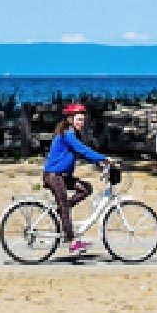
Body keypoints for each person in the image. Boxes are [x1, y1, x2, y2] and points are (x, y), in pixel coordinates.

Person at [42, 102, 108, 257]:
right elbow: (82, 150)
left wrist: (98, 162)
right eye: (78, 119)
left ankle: (61, 211)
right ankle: (72, 242)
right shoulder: (67, 133)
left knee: (86, 188)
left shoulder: (72, 133)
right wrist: (104, 158)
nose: (81, 122)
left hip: (63, 176)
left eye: (83, 120)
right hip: (53, 176)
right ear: (70, 119)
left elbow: (82, 153)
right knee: (64, 205)